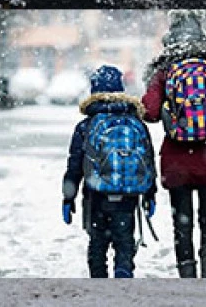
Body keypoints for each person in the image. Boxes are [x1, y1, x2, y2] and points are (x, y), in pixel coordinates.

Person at [141, 11, 206, 278]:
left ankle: (187, 277)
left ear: (170, 36)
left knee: (182, 223)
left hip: (177, 160)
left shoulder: (164, 71)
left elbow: (149, 113)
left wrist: (165, 109)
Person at [61, 65, 157, 279]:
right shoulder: (135, 122)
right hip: (128, 195)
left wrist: (68, 198)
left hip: (96, 195)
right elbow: (149, 160)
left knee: (97, 242)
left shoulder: (87, 125)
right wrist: (150, 194)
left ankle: (99, 283)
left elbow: (75, 165)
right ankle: (123, 275)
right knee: (124, 242)